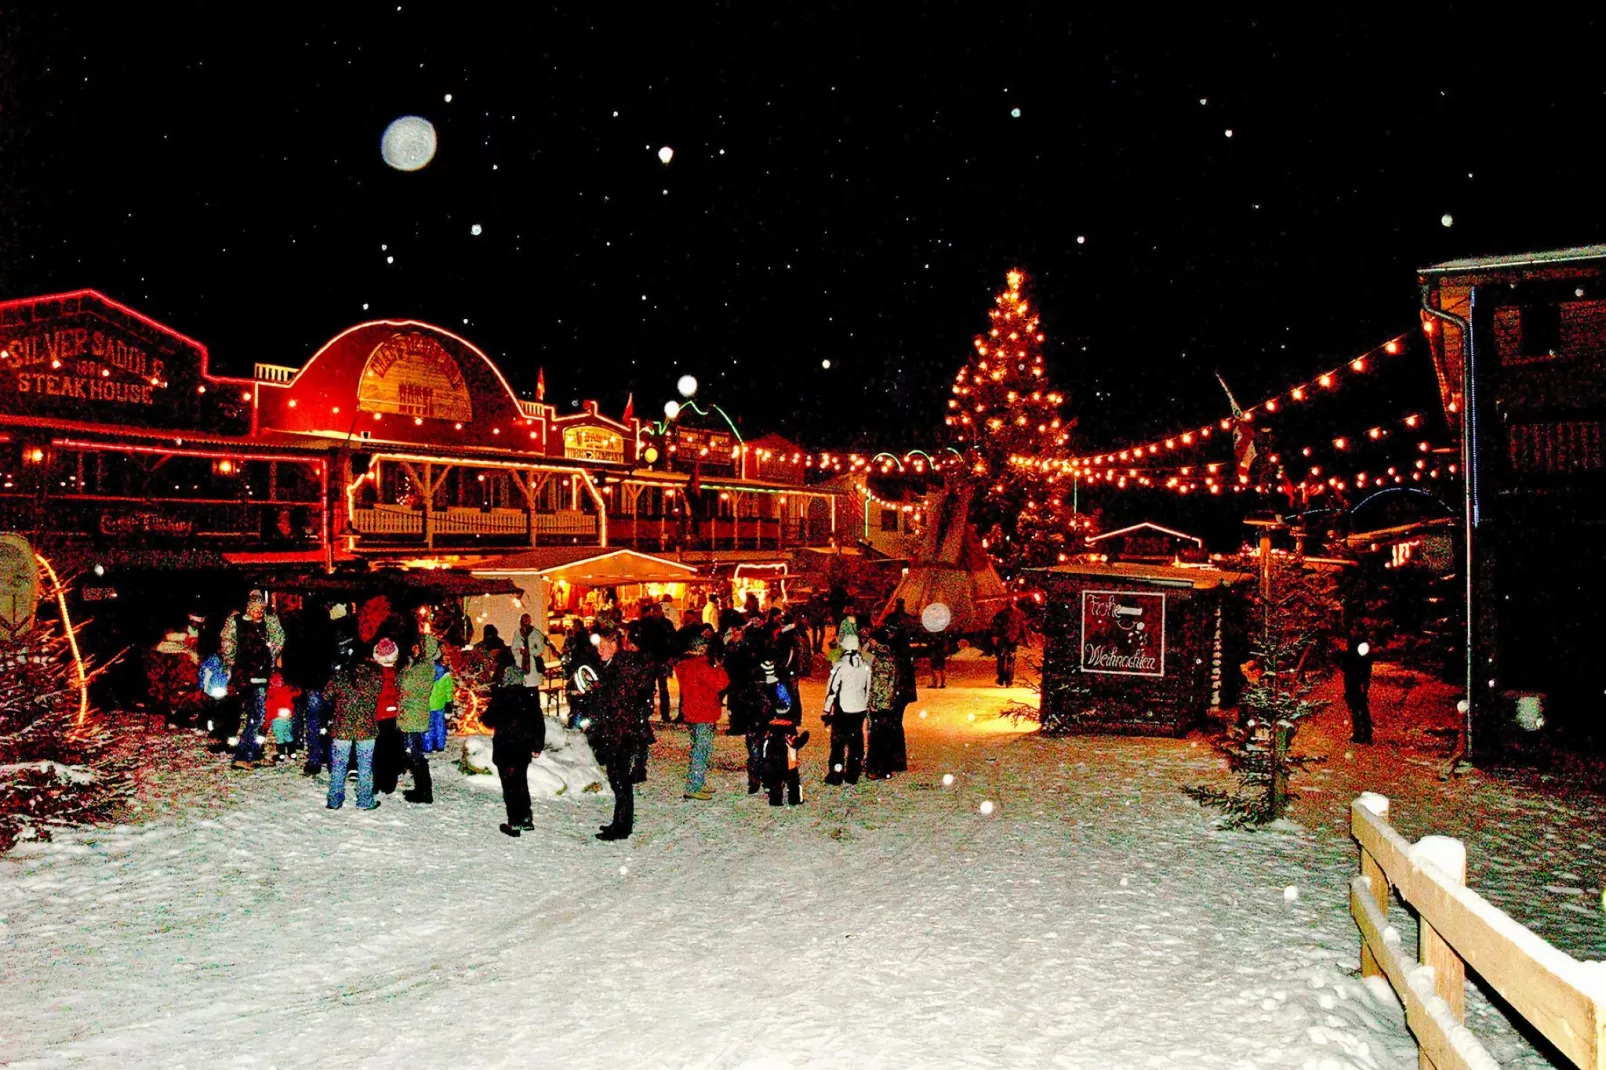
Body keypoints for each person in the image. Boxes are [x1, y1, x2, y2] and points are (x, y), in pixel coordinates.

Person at [584, 624, 655, 841]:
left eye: (605, 646)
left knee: (620, 780)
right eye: (599, 647)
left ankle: (622, 827)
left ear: (616, 644)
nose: (600, 651)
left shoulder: (622, 667)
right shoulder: (615, 665)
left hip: (620, 731)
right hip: (617, 730)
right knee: (617, 779)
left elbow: (617, 701)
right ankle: (620, 822)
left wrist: (596, 692)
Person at [220, 590, 285, 770]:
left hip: (262, 674)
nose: (257, 612)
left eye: (260, 609)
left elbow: (280, 639)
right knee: (255, 716)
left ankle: (254, 752)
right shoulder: (237, 623)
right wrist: (232, 664)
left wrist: (272, 655)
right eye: (254, 609)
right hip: (246, 675)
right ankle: (243, 755)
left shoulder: (267, 624)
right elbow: (227, 644)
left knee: (259, 715)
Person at [480, 661, 545, 837]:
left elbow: (487, 720)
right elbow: (538, 723)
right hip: (522, 749)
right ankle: (526, 818)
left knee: (510, 786)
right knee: (521, 783)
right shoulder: (530, 697)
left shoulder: (502, 697)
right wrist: (537, 745)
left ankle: (514, 822)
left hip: (505, 747)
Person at [283, 601, 339, 776]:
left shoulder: (299, 633)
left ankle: (315, 759)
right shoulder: (329, 632)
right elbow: (334, 656)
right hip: (326, 681)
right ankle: (330, 757)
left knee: (313, 722)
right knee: (329, 722)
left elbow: (292, 657)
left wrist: (295, 680)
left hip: (311, 683)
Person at [324, 646, 383, 811]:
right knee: (365, 766)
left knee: (339, 765)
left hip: (342, 726)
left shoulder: (340, 676)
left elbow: (326, 695)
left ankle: (334, 800)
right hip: (367, 727)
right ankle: (365, 800)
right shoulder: (375, 678)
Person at [674, 634, 728, 800]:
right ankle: (694, 785)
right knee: (701, 750)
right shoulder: (700, 665)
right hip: (703, 711)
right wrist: (719, 668)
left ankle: (698, 780)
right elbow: (722, 683)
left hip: (692, 711)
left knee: (699, 748)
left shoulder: (684, 665)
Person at [757, 660, 808, 807]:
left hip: (774, 732)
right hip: (787, 732)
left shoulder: (767, 689)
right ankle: (794, 797)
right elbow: (794, 705)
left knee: (773, 767)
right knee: (791, 769)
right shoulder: (786, 686)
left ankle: (775, 796)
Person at [823, 631, 871, 785]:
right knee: (855, 742)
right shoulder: (865, 666)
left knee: (838, 744)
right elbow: (868, 688)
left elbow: (832, 689)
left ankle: (836, 775)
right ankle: (853, 773)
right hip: (859, 708)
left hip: (843, 708)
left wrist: (826, 709)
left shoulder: (840, 666)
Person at [397, 634, 440, 804]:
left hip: (411, 715)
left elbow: (405, 684)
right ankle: (422, 788)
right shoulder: (424, 665)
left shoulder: (422, 667)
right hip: (413, 714)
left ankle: (424, 791)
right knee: (415, 754)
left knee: (413, 754)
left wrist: (405, 669)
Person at [863, 630, 902, 780]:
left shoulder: (881, 660)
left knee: (877, 738)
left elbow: (879, 685)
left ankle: (875, 768)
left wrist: (873, 703)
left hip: (880, 704)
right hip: (887, 703)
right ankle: (884, 768)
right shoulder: (890, 658)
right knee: (884, 737)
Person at [629, 601, 676, 723]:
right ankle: (647, 711)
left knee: (662, 687)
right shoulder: (645, 623)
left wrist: (670, 655)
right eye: (653, 611)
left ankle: (664, 713)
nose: (655, 614)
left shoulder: (666, 624)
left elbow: (672, 640)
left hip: (660, 658)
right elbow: (633, 635)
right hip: (649, 658)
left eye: (657, 611)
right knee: (648, 687)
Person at [371, 638, 405, 794]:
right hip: (393, 715)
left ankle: (378, 780)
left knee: (378, 749)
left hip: (378, 715)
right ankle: (390, 782)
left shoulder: (374, 674)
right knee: (391, 747)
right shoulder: (399, 674)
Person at [1342, 629, 1375, 744]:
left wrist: (1363, 681)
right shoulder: (1352, 646)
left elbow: (1364, 664)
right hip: (1352, 680)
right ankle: (1359, 732)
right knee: (1355, 707)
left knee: (1360, 706)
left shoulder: (1360, 646)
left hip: (1358, 680)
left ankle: (1366, 733)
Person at [992, 599, 1028, 687]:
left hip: (1003, 638)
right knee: (1011, 659)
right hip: (1014, 638)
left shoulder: (1000, 614)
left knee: (1002, 657)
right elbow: (1022, 627)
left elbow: (996, 625)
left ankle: (1001, 679)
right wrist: (1023, 638)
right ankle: (1009, 680)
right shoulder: (1020, 614)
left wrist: (996, 635)